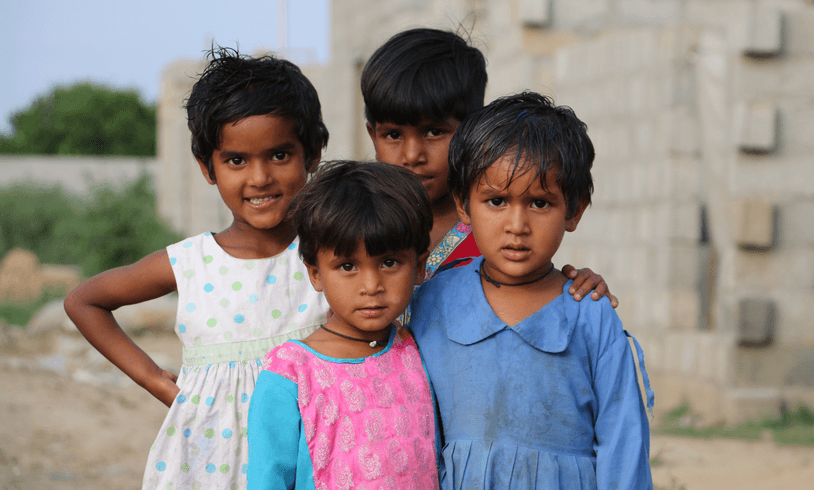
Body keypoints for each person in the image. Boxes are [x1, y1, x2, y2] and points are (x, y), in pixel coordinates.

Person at [64, 47, 331, 490]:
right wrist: (157, 381)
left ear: (313, 154)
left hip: (311, 455)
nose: (260, 177)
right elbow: (83, 300)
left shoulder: (331, 256)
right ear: (208, 167)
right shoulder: (191, 263)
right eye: (236, 160)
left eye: (280, 156)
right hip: (212, 464)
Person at [407, 92, 655, 489]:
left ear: (574, 210)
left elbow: (622, 441)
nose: (517, 224)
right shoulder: (431, 302)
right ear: (465, 206)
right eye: (496, 201)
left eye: (539, 203)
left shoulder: (589, 312)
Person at [361, 28, 615, 305]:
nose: (412, 155)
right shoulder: (353, 221)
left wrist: (580, 286)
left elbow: (542, 293)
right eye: (393, 135)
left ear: (472, 129)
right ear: (373, 135)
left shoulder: (498, 229)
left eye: (434, 132)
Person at [247, 161, 439, 489]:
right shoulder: (290, 374)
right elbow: (268, 479)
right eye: (347, 266)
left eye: (389, 262)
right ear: (316, 274)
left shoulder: (418, 348)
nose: (371, 285)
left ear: (419, 267)